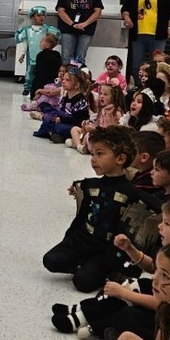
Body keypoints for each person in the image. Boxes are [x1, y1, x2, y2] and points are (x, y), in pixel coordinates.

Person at [52, 198, 170, 340]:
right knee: (132, 284)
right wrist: (130, 249)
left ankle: (90, 322)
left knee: (128, 313)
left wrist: (125, 294)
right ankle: (84, 311)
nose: (160, 227)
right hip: (163, 304)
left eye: (167, 224)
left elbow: (166, 304)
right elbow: (152, 267)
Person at [42, 125, 147, 293]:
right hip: (83, 240)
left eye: (100, 154)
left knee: (82, 282)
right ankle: (86, 265)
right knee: (50, 260)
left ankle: (103, 270)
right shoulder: (91, 185)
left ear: (120, 159)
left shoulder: (132, 192)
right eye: (92, 154)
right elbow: (81, 213)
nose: (93, 159)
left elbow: (153, 211)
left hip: (107, 249)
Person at [121, 0, 170, 85]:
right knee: (137, 64)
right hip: (139, 33)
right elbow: (125, 9)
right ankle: (138, 85)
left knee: (157, 64)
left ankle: (155, 86)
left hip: (158, 33)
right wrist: (127, 18)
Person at [54, 0, 104, 66]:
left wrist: (84, 24)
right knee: (66, 57)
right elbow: (60, 11)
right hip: (68, 29)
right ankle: (66, 79)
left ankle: (77, 79)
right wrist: (72, 24)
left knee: (80, 57)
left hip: (86, 30)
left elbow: (98, 12)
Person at [32, 67, 92, 144]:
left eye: (67, 80)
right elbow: (61, 110)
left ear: (76, 85)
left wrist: (61, 119)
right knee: (47, 111)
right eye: (63, 79)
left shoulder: (81, 101)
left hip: (73, 125)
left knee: (60, 127)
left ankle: (58, 134)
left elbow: (78, 121)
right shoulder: (66, 97)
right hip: (62, 120)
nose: (63, 82)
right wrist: (56, 116)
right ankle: (54, 133)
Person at [15, 6, 60, 97]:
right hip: (32, 56)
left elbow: (53, 40)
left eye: (43, 15)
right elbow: (25, 43)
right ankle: (27, 88)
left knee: (43, 73)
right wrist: (23, 54)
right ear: (32, 16)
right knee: (30, 72)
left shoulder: (48, 30)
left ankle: (44, 88)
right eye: (38, 15)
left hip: (44, 58)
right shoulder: (27, 30)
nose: (41, 17)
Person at [69, 83, 125, 153]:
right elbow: (97, 125)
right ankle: (79, 146)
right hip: (97, 134)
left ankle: (78, 144)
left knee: (88, 136)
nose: (101, 96)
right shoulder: (102, 110)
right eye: (101, 93)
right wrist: (88, 125)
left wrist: (94, 130)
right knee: (74, 129)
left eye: (105, 94)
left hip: (106, 139)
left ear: (114, 97)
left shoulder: (116, 113)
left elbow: (113, 133)